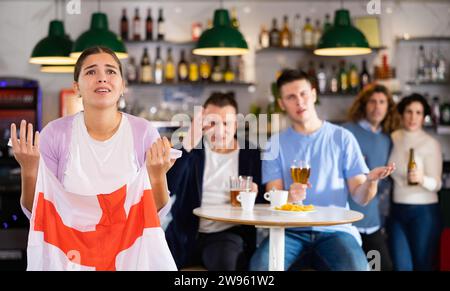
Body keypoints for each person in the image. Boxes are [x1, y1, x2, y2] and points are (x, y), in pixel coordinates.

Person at [10, 46, 176, 270]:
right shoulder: (55, 134)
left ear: (122, 85)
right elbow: (39, 214)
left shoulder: (143, 132)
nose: (102, 78)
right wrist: (29, 170)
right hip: (73, 259)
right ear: (76, 86)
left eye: (110, 71)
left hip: (129, 258)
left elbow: (154, 217)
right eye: (90, 72)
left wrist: (157, 177)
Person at [250, 70, 395, 271]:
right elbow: (274, 198)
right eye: (291, 97)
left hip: (335, 231)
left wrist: (370, 181)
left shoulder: (342, 138)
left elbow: (361, 198)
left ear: (314, 94)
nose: (299, 102)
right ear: (282, 104)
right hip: (289, 232)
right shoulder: (274, 144)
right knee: (260, 268)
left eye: (303, 94)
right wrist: (288, 197)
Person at [165, 92, 264, 270]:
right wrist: (188, 142)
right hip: (184, 234)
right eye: (212, 123)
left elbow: (263, 202)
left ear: (236, 125)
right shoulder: (191, 150)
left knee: (224, 263)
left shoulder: (251, 154)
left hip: (225, 235)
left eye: (226, 123)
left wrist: (255, 195)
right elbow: (168, 187)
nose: (219, 130)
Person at [343, 84, 398, 271]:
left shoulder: (386, 139)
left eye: (382, 102)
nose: (377, 107)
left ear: (388, 107)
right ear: (363, 105)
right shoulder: (346, 133)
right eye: (372, 101)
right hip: (347, 223)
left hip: (372, 222)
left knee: (382, 267)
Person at [388, 93, 443, 271]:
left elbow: (437, 184)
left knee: (423, 266)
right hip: (396, 211)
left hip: (424, 212)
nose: (413, 117)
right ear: (402, 114)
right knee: (401, 266)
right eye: (409, 112)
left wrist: (422, 179)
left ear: (424, 116)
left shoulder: (430, 143)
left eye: (418, 113)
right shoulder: (394, 137)